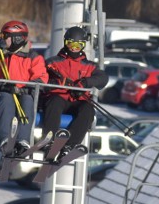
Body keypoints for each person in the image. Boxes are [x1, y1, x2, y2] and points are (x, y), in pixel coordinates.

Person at [41, 26, 109, 160]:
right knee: (54, 102)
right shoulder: (53, 62)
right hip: (58, 97)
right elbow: (41, 78)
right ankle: (49, 141)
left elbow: (103, 78)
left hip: (77, 100)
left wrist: (84, 83)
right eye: (71, 44)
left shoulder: (89, 66)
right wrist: (57, 83)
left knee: (88, 109)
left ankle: (69, 145)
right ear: (66, 43)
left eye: (79, 45)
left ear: (83, 46)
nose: (74, 48)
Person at [0, 20, 48, 157]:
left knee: (27, 101)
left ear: (17, 38)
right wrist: (1, 85)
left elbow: (41, 78)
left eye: (5, 37)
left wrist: (21, 88)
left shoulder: (34, 57)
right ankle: (5, 140)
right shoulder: (1, 56)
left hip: (25, 93)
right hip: (5, 93)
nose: (2, 40)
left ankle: (23, 141)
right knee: (5, 98)